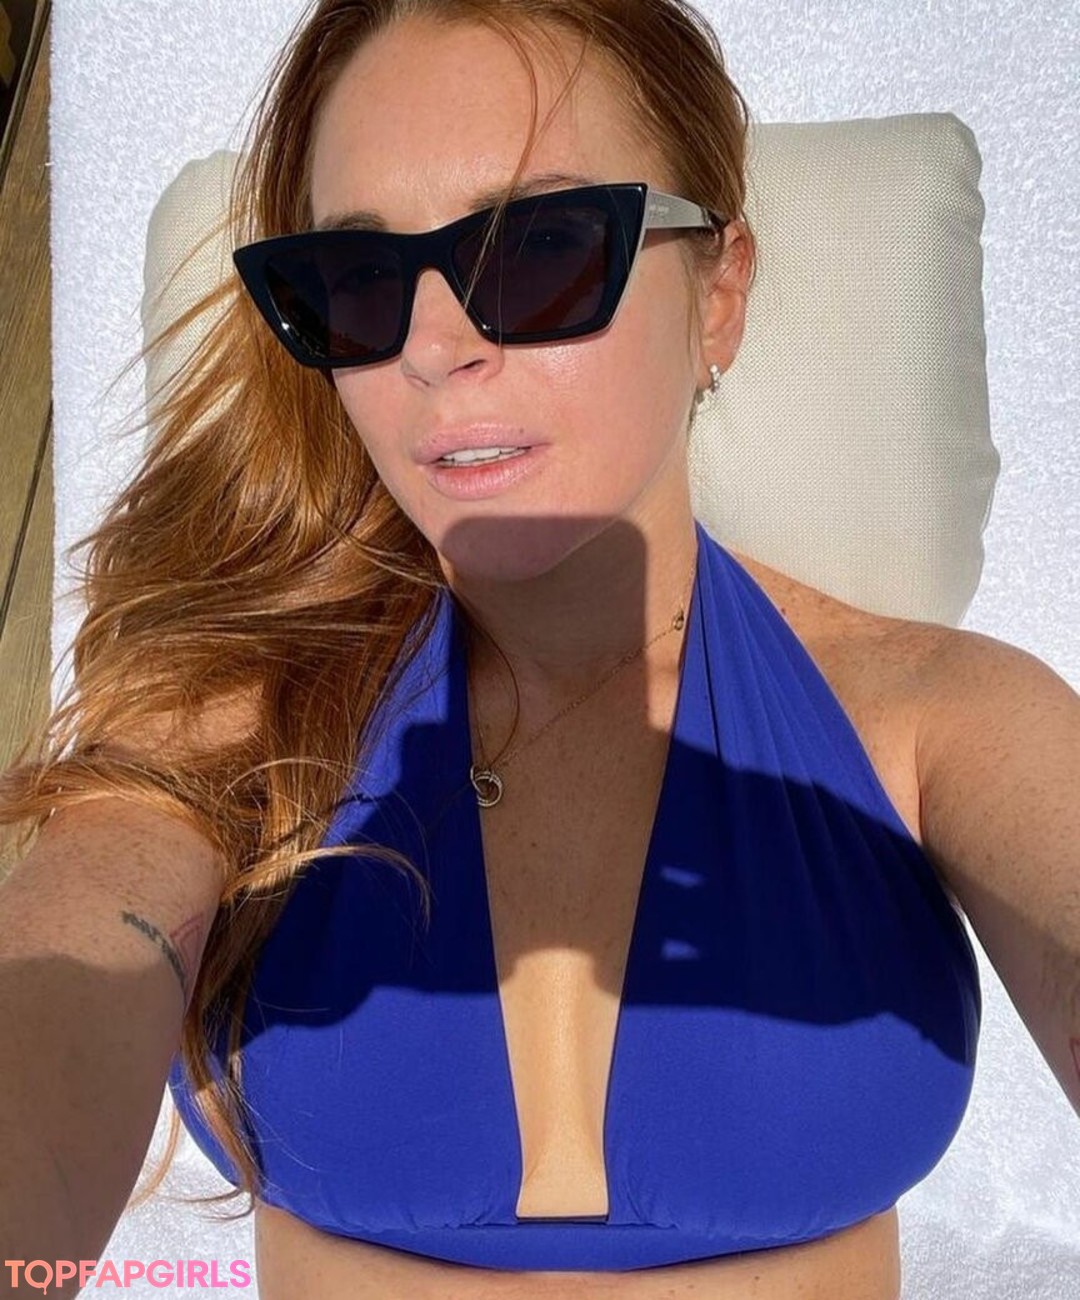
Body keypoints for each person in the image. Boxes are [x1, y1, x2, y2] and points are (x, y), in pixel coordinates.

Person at [0, 1, 1077, 1297]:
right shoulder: (231, 722)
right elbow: (51, 1026)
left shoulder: (939, 723)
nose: (434, 348)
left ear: (718, 293)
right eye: (364, 279)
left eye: (544, 248)